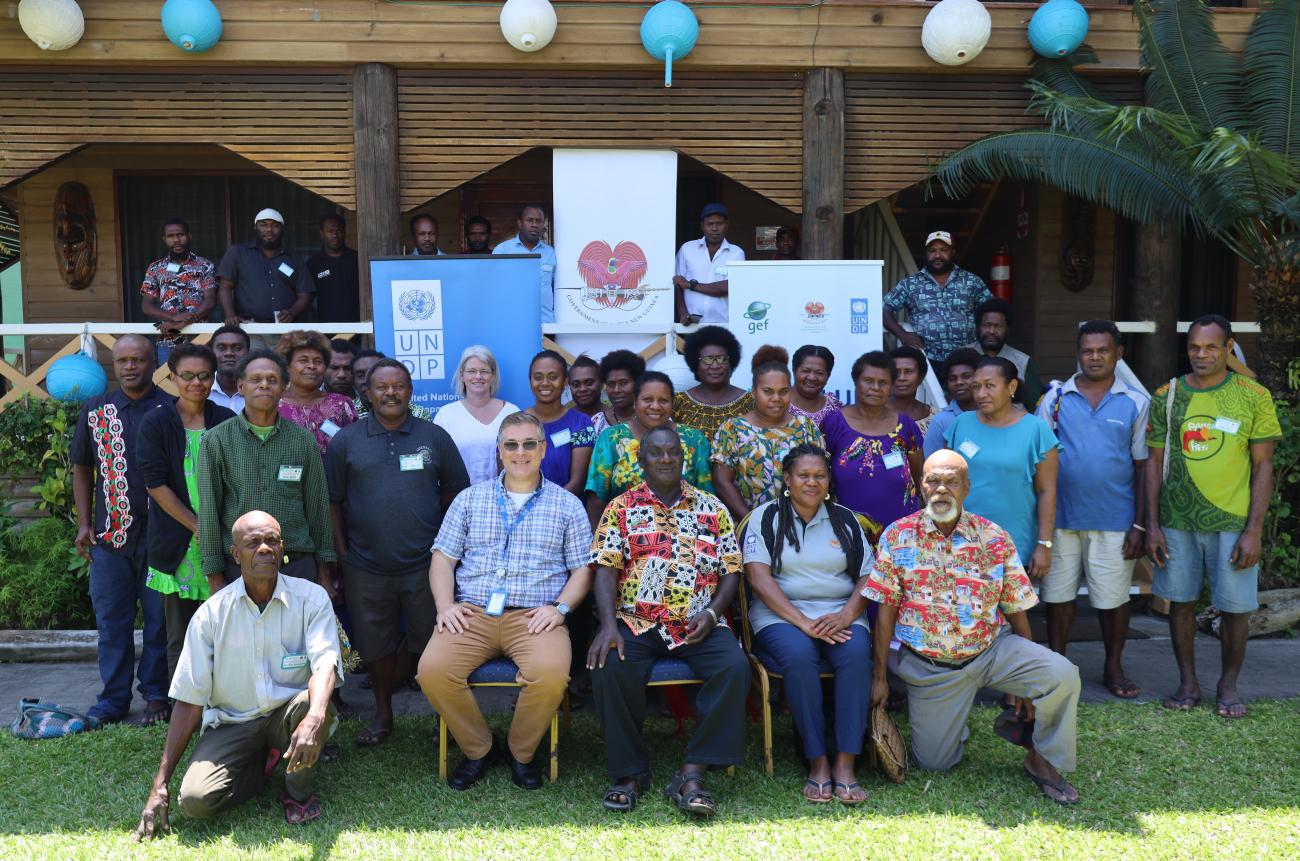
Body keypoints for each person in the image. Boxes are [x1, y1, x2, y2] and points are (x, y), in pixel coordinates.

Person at [865, 450, 1081, 805]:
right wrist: (879, 676)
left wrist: (1025, 682)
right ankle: (955, 717)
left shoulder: (993, 537)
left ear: (967, 487)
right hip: (932, 666)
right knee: (936, 763)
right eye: (933, 480)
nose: (941, 489)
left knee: (1061, 674)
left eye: (951, 481)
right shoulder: (897, 536)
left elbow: (1016, 606)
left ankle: (1042, 760)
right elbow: (886, 611)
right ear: (921, 486)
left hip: (992, 650)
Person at [133, 512, 343, 837]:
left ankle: (296, 791)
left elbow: (324, 663)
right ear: (235, 554)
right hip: (233, 723)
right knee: (195, 800)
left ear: (283, 548)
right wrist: (160, 783)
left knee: (313, 706)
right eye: (253, 543)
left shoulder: (311, 599)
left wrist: (316, 715)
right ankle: (261, 766)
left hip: (288, 714)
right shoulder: (211, 615)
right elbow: (189, 701)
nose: (264, 549)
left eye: (272, 541)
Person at [416, 413, 593, 790]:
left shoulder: (567, 505)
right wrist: (445, 606)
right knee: (432, 671)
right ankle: (479, 748)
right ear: (499, 451)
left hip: (535, 617)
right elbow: (442, 559)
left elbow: (582, 571)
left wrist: (559, 609)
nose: (520, 452)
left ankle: (521, 752)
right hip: (473, 614)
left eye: (530, 444)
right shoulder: (469, 499)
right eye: (511, 444)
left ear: (543, 449)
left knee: (550, 675)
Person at [587, 426, 750, 816]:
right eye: (655, 453)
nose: (665, 459)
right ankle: (630, 773)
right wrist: (608, 625)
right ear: (641, 460)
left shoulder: (711, 507)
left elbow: (732, 569)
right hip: (637, 620)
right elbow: (606, 570)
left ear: (684, 457)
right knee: (610, 663)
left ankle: (693, 770)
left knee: (734, 666)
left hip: (698, 621)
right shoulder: (621, 507)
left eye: (672, 452)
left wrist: (712, 613)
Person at [326, 359, 471, 747]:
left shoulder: (434, 437)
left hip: (426, 564)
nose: (391, 393)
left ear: (410, 391)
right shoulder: (347, 441)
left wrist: (445, 544)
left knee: (437, 639)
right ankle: (383, 713)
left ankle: (450, 716)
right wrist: (343, 552)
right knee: (375, 644)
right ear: (368, 393)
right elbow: (333, 501)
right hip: (365, 564)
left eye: (399, 386)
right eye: (382, 387)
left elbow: (456, 490)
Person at [1146, 315, 1280, 719]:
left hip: (1232, 522)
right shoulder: (1168, 395)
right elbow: (1153, 463)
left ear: (1228, 348)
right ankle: (1188, 682)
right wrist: (1151, 524)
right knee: (1180, 603)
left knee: (1236, 607)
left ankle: (1228, 685)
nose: (1201, 355)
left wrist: (1254, 530)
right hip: (1177, 520)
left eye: (1210, 347)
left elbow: (1264, 467)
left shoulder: (1253, 395)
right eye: (1194, 347)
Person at [742, 445, 872, 805]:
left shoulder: (845, 519)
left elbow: (868, 577)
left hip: (838, 613)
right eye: (803, 475)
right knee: (800, 656)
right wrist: (802, 622)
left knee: (857, 653)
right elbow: (758, 578)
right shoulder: (766, 517)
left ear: (829, 480)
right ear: (787, 479)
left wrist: (846, 616)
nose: (812, 482)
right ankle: (817, 762)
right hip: (781, 615)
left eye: (820, 475)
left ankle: (845, 763)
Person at [1036, 321, 1149, 699]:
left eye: (1103, 350)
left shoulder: (1135, 402)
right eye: (1087, 350)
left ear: (1119, 353)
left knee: (1113, 599)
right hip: (1061, 518)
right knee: (1058, 596)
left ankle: (1113, 666)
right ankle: (1057, 665)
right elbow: (1037, 456)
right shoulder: (1055, 400)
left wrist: (1140, 524)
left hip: (1116, 519)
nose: (1095, 357)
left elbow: (1142, 465)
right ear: (1078, 353)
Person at [71, 334, 173, 727]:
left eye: (138, 359)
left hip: (160, 538)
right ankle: (113, 699)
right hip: (109, 538)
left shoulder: (171, 408)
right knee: (111, 622)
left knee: (158, 621)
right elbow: (82, 466)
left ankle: (156, 695)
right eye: (123, 361)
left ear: (153, 363)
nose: (130, 366)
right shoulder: (96, 409)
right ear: (115, 365)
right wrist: (84, 522)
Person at [197, 350, 337, 593]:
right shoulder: (216, 440)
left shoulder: (302, 441)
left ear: (284, 386)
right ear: (241, 386)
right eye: (255, 379)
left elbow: (318, 508)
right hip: (238, 566)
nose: (264, 385)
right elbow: (209, 512)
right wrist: (214, 577)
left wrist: (324, 571)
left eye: (272, 380)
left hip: (296, 566)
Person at [138, 343, 236, 686]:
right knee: (180, 634)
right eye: (188, 376)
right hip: (178, 543)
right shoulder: (157, 422)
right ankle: (183, 706)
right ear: (173, 377)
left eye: (205, 376)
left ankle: (223, 707)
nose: (197, 383)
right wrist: (199, 527)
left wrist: (218, 531)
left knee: (225, 630)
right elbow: (155, 484)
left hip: (224, 541)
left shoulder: (226, 420)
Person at [944, 357, 1059, 576]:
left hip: (1014, 543)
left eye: (989, 386)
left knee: (1012, 610)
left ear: (1012, 387)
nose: (980, 394)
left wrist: (1044, 544)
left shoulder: (1035, 429)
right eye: (976, 386)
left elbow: (1047, 491)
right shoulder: (962, 424)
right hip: (962, 542)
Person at [820, 351, 924, 544]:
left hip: (901, 538)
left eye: (883, 383)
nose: (875, 387)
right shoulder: (834, 423)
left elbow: (918, 478)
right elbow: (820, 474)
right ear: (856, 382)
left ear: (891, 386)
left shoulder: (906, 426)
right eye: (868, 380)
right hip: (846, 536)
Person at [585, 371, 713, 526]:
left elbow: (706, 497)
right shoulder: (612, 438)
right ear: (634, 401)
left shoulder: (694, 440)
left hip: (685, 536)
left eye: (663, 400)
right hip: (624, 536)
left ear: (672, 403)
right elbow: (596, 499)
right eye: (647, 399)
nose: (655, 406)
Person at [711, 346, 824, 520]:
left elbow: (819, 475)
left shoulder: (805, 427)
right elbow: (722, 482)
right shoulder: (733, 429)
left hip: (802, 525)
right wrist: (752, 521)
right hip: (750, 528)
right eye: (768, 392)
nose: (776, 398)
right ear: (754, 392)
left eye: (784, 392)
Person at [882, 230, 992, 368]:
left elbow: (991, 311)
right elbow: (884, 309)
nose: (937, 255)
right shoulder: (911, 284)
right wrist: (903, 335)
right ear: (926, 254)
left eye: (943, 250)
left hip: (967, 359)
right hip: (927, 359)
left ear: (953, 252)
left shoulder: (972, 281)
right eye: (932, 250)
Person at [216, 209, 315, 342]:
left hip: (285, 331)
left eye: (275, 225)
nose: (269, 229)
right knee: (253, 363)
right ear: (255, 227)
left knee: (283, 363)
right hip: (249, 329)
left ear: (282, 229)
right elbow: (225, 286)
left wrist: (292, 312)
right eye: (263, 224)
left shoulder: (294, 258)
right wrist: (230, 314)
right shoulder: (238, 252)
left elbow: (305, 293)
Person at [435, 345, 520, 484]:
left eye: (484, 371)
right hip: (459, 499)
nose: (478, 376)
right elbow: (439, 463)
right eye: (472, 371)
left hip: (504, 498)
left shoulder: (511, 413)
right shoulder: (446, 416)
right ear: (462, 375)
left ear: (493, 375)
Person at [139, 217, 216, 365]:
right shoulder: (155, 268)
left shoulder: (205, 265)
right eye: (171, 236)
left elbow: (210, 301)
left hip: (200, 338)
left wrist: (184, 322)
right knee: (168, 384)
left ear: (189, 236)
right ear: (164, 239)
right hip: (168, 337)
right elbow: (146, 306)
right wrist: (174, 318)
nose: (176, 240)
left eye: (180, 235)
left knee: (200, 380)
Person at [274, 330, 359, 457]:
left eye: (318, 361)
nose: (312, 366)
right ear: (287, 366)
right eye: (303, 360)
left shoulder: (341, 405)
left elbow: (354, 451)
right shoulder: (272, 406)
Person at [525, 350, 596, 496]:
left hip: (567, 511)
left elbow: (578, 481)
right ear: (530, 381)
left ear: (564, 382)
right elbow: (506, 476)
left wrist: (548, 507)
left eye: (553, 377)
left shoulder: (581, 423)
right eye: (538, 377)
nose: (545, 383)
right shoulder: (514, 424)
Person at [673, 325, 754, 442]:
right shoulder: (679, 403)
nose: (715, 366)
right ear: (695, 363)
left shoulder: (749, 402)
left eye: (721, 359)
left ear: (731, 362)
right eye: (708, 359)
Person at [673, 203, 745, 325]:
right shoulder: (687, 249)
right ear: (702, 226)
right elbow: (678, 285)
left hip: (725, 324)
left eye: (719, 223)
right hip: (692, 325)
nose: (715, 228)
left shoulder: (736, 253)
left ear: (727, 225)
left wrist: (691, 285)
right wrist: (682, 313)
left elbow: (730, 286)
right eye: (710, 224)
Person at [969, 298, 1044, 408]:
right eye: (986, 325)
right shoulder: (964, 356)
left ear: (1007, 329)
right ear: (978, 327)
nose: (991, 331)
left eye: (998, 326)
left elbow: (1037, 405)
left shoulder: (1022, 361)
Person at [493, 204, 557, 324]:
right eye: (529, 220)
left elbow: (557, 287)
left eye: (538, 221)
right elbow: (493, 289)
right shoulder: (502, 250)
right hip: (511, 322)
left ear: (543, 225)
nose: (534, 224)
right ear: (520, 223)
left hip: (545, 324)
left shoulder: (551, 253)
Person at [923, 347, 980, 457]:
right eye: (952, 379)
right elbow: (931, 465)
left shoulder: (993, 415)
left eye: (966, 376)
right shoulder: (942, 421)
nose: (959, 382)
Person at [307, 213, 360, 324]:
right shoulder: (314, 263)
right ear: (322, 234)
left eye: (338, 230)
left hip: (358, 328)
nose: (335, 235)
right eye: (330, 231)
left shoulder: (357, 259)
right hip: (327, 330)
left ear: (344, 232)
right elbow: (306, 300)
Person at [788, 345, 842, 425]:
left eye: (819, 373)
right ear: (794, 371)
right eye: (806, 371)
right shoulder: (779, 405)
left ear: (828, 375)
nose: (812, 378)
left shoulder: (834, 406)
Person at [888, 345, 934, 435]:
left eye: (908, 372)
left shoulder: (934, 416)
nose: (901, 378)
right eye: (895, 372)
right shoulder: (871, 416)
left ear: (921, 377)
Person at [596, 349, 645, 431]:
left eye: (623, 383)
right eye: (611, 384)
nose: (616, 390)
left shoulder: (654, 417)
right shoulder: (597, 422)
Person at [207, 324, 249, 414]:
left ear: (248, 353)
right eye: (221, 348)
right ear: (211, 352)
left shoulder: (261, 389)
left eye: (237, 348)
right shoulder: (200, 389)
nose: (229, 353)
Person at [567, 355, 606, 432]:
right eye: (576, 384)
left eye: (589, 383)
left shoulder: (615, 420)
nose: (582, 389)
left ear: (602, 383)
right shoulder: (563, 421)